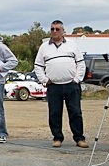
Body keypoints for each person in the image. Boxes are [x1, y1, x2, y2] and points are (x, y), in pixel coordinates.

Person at [33, 20, 89, 148]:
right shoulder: (44, 47)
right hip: (53, 86)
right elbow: (38, 66)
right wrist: (44, 80)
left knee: (75, 112)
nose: (54, 31)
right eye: (52, 29)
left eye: (57, 29)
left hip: (71, 84)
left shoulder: (72, 45)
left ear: (63, 31)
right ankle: (57, 137)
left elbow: (80, 63)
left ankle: (79, 138)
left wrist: (77, 79)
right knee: (54, 113)